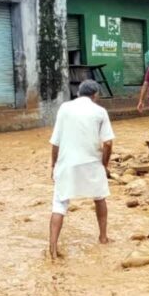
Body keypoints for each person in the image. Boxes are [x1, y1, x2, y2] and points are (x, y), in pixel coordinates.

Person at [49, 80, 115, 260]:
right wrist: (104, 164)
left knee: (59, 204)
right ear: (95, 95)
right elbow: (108, 143)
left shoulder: (64, 108)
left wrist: (54, 165)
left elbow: (55, 142)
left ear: (78, 93)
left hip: (67, 163)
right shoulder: (100, 112)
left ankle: (53, 248)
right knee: (100, 197)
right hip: (92, 163)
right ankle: (103, 237)